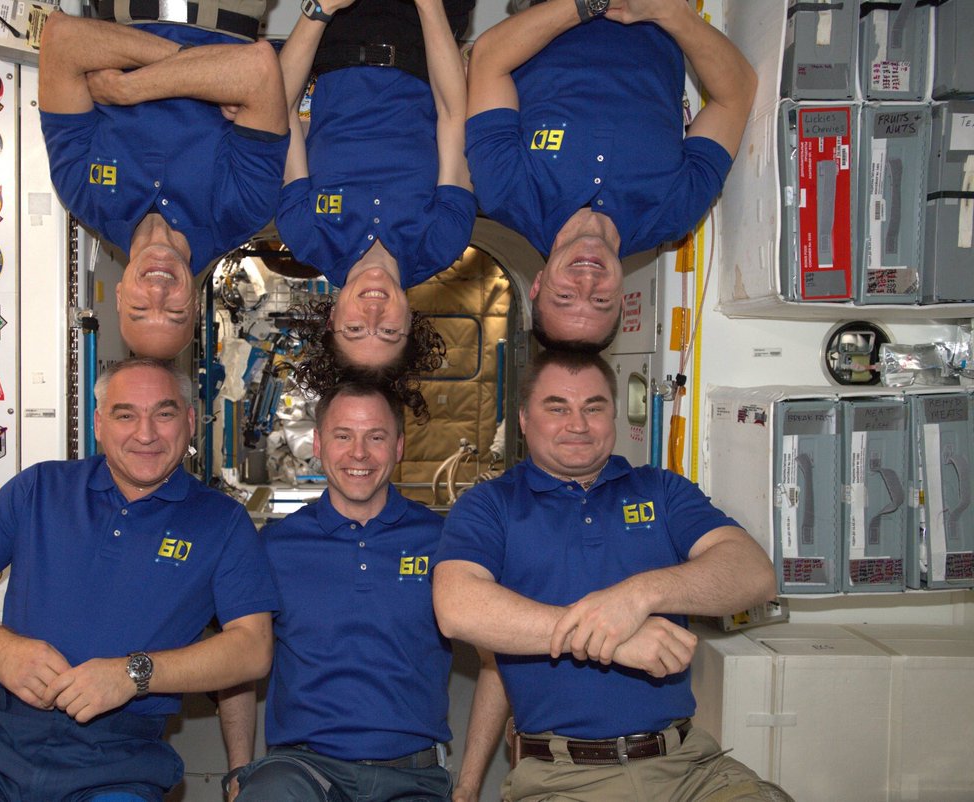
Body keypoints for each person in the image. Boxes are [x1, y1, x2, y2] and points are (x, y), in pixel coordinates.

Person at [0, 357, 279, 801]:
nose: (145, 434)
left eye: (164, 414)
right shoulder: (40, 489)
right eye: (125, 415)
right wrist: (0, 649)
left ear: (191, 421)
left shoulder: (223, 523)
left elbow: (252, 649)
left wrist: (133, 674)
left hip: (119, 759)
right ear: (99, 424)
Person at [433, 350, 790, 801]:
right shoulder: (491, 506)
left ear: (614, 415)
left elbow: (754, 573)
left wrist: (637, 596)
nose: (578, 424)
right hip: (562, 778)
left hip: (688, 767)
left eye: (594, 408)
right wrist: (617, 640)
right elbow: (457, 607)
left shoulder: (661, 489)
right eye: (557, 408)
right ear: (523, 419)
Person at [219, 380, 507, 801]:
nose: (359, 453)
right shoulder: (275, 547)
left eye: (376, 437)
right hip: (302, 771)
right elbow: (236, 659)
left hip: (415, 777)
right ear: (318, 444)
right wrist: (238, 772)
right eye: (343, 436)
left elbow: (495, 659)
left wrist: (469, 785)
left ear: (399, 447)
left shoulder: (442, 543)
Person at [465, 0, 756, 351]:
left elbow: (489, 60)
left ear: (538, 285)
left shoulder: (503, 192)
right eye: (600, 301)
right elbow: (735, 96)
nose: (587, 282)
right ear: (621, 299)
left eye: (565, 296)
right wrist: (671, 14)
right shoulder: (674, 212)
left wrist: (591, 3)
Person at [39, 11, 289, 359]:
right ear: (196, 303)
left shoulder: (81, 194)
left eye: (140, 309)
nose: (157, 292)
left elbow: (61, 39)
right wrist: (128, 88)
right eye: (174, 311)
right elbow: (260, 68)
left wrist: (216, 75)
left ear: (119, 296)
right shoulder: (243, 212)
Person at [274, 0, 477, 374]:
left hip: (339, 27)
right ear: (410, 322)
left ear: (332, 319)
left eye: (354, 329)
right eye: (388, 331)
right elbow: (453, 115)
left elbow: (282, 110)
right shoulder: (442, 240)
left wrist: (320, 9)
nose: (373, 312)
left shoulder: (305, 232)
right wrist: (430, 6)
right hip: (425, 34)